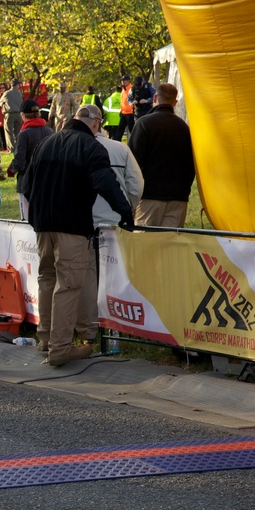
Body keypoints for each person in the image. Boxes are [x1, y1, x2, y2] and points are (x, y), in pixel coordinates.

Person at [23, 106, 134, 367]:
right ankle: (59, 349)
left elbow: (26, 185)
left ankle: (46, 340)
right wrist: (125, 211)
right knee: (68, 285)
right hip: (71, 226)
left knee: (47, 279)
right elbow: (105, 182)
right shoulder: (91, 146)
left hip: (42, 225)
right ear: (96, 123)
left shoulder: (46, 143)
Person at [76, 111, 144, 343]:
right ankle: (117, 325)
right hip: (114, 221)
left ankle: (89, 325)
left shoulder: (70, 145)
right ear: (99, 123)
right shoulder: (119, 148)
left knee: (86, 276)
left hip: (83, 222)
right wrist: (128, 208)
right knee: (115, 274)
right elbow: (136, 184)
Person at [128, 83, 196, 227]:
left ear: (155, 97)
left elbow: (132, 162)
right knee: (170, 246)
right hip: (178, 198)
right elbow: (191, 165)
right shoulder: (185, 128)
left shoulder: (144, 124)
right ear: (175, 102)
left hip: (149, 196)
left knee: (145, 244)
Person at [7, 98, 54, 220]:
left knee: (28, 220)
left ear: (23, 115)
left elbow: (19, 161)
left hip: (27, 182)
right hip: (47, 181)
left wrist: (11, 169)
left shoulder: (24, 134)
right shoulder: (51, 132)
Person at [1, 78, 23, 152]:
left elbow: (0, 103)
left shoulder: (7, 93)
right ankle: (18, 148)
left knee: (9, 132)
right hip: (18, 114)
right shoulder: (19, 94)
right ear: (17, 85)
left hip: (9, 114)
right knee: (17, 132)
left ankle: (11, 149)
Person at [114, 75, 134, 142]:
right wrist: (121, 110)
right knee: (120, 130)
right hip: (123, 112)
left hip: (130, 113)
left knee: (132, 130)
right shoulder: (123, 89)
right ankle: (117, 144)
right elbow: (123, 101)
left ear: (128, 81)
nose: (123, 82)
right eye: (122, 80)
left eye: (125, 80)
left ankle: (135, 144)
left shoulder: (131, 89)